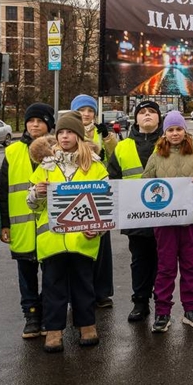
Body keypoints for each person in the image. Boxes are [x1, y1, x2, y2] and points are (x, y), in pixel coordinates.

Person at [27, 111, 108, 353]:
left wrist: (99, 230)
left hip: (82, 240)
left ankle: (87, 326)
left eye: (69, 132)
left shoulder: (95, 166)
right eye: (60, 132)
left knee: (84, 286)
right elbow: (32, 204)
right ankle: (53, 332)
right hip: (52, 240)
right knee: (53, 287)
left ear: (78, 136)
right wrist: (37, 193)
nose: (64, 136)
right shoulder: (46, 166)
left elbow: (104, 205)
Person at [142, 111, 193, 332]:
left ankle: (191, 309)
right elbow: (144, 184)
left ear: (185, 131)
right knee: (165, 268)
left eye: (178, 129)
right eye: (171, 130)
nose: (175, 133)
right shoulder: (156, 156)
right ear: (165, 133)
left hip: (191, 218)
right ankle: (162, 312)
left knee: (189, 266)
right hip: (164, 221)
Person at [0, 102, 54, 339]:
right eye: (31, 121)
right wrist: (4, 224)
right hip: (22, 227)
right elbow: (1, 190)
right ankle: (31, 316)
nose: (34, 125)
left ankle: (48, 313)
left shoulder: (58, 149)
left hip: (51, 226)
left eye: (40, 121)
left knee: (53, 274)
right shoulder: (12, 153)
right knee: (27, 275)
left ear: (48, 125)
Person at [108, 100, 162, 323]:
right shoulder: (123, 147)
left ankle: (162, 302)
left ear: (159, 118)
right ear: (135, 119)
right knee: (139, 260)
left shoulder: (169, 143)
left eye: (152, 112)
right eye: (142, 112)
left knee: (163, 262)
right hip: (136, 217)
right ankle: (140, 302)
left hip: (164, 216)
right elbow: (113, 179)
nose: (147, 115)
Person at [70, 94, 117, 309]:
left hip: (99, 192)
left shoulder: (101, 132)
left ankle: (101, 292)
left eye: (90, 111)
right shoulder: (68, 131)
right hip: (75, 192)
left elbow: (116, 155)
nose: (87, 114)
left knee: (101, 245)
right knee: (76, 245)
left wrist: (108, 138)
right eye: (82, 111)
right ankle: (77, 293)